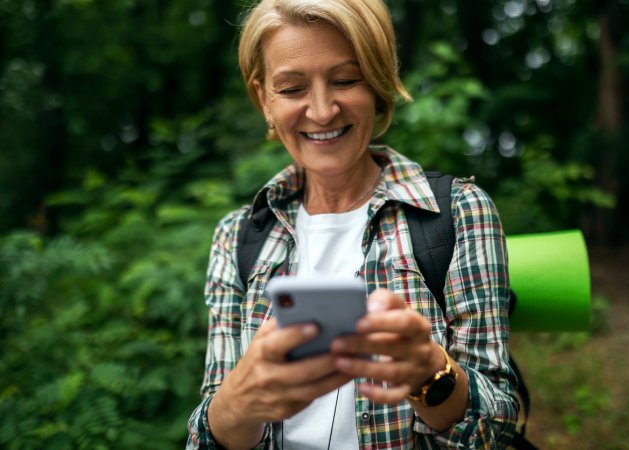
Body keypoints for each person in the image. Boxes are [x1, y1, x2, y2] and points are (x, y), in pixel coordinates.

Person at [187, 0, 518, 448]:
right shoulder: (239, 235)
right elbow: (206, 438)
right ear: (263, 98)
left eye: (346, 80)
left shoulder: (457, 213)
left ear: (378, 84)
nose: (322, 111)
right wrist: (240, 400)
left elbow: (494, 433)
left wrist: (430, 374)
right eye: (291, 88)